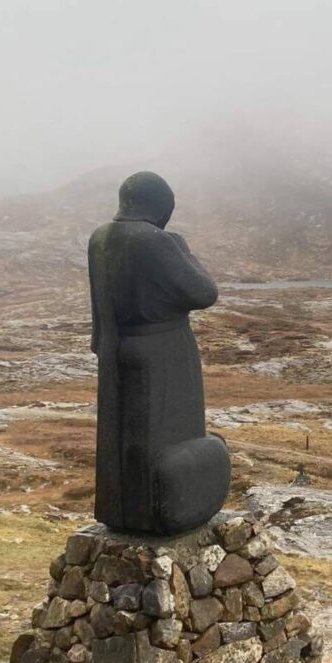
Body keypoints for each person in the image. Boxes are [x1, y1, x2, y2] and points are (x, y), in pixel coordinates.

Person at [88, 171, 230, 535]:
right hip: (163, 351)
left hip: (116, 349)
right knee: (164, 435)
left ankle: (125, 510)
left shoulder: (100, 238)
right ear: (161, 207)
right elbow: (204, 293)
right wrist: (181, 248)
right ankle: (163, 511)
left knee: (124, 441)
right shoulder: (155, 241)